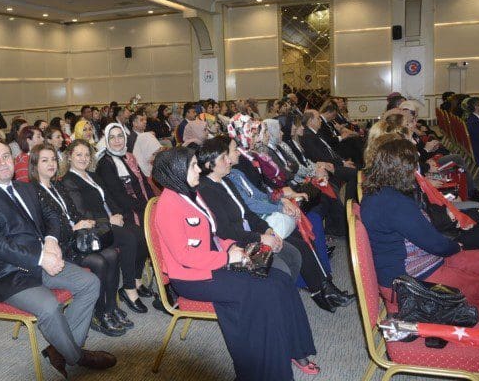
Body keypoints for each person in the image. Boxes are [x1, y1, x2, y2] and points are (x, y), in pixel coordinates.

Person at [151, 147, 318, 381]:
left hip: (212, 262)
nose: (198, 169)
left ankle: (295, 349)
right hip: (193, 277)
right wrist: (228, 257)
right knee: (263, 292)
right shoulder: (169, 206)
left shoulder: (190, 193)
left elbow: (213, 234)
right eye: (192, 166)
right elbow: (185, 257)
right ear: (176, 172)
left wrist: (232, 247)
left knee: (280, 280)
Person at [0, 141, 116, 377]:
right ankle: (78, 357)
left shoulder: (25, 188)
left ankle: (61, 350)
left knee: (90, 283)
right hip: (10, 275)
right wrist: (40, 258)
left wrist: (51, 240)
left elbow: (51, 216)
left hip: (42, 260)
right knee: (50, 306)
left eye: (6, 156)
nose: (3, 162)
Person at [361, 138, 479, 372]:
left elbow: (427, 239)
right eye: (413, 165)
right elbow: (436, 244)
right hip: (414, 280)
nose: (416, 170)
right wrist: (457, 247)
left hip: (420, 265)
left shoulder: (378, 193)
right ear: (402, 169)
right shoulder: (394, 202)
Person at [197, 136, 354, 312]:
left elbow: (249, 209)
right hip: (239, 243)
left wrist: (268, 229)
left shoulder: (228, 178)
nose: (234, 156)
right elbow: (229, 227)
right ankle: (315, 293)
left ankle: (322, 290)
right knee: (296, 251)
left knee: (299, 244)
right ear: (211, 163)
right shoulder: (209, 188)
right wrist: (262, 235)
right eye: (228, 154)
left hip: (253, 229)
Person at [30, 143, 130, 336]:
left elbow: (74, 212)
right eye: (45, 160)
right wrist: (73, 227)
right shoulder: (33, 192)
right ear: (35, 164)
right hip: (60, 246)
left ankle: (110, 308)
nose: (51, 164)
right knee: (99, 262)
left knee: (112, 254)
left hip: (77, 237)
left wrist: (83, 222)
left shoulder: (57, 185)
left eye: (53, 159)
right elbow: (42, 227)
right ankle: (98, 314)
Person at [61, 139, 150, 314]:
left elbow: (109, 198)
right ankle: (129, 289)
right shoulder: (68, 180)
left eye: (87, 155)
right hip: (95, 226)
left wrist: (118, 214)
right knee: (129, 239)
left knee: (142, 235)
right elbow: (81, 212)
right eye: (79, 154)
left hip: (110, 220)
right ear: (69, 157)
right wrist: (109, 220)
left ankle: (137, 279)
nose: (83, 158)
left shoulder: (93, 176)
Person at [300, 109, 358, 201]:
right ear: (310, 121)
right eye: (318, 118)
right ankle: (349, 203)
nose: (320, 120)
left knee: (356, 169)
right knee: (355, 174)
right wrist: (342, 164)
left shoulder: (315, 133)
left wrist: (343, 161)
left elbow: (330, 151)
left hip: (332, 163)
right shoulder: (308, 136)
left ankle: (351, 200)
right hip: (327, 167)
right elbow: (321, 157)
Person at [130, 111, 163, 177]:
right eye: (141, 120)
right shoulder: (131, 138)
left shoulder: (148, 134)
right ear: (134, 123)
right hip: (143, 171)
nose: (145, 122)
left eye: (145, 120)